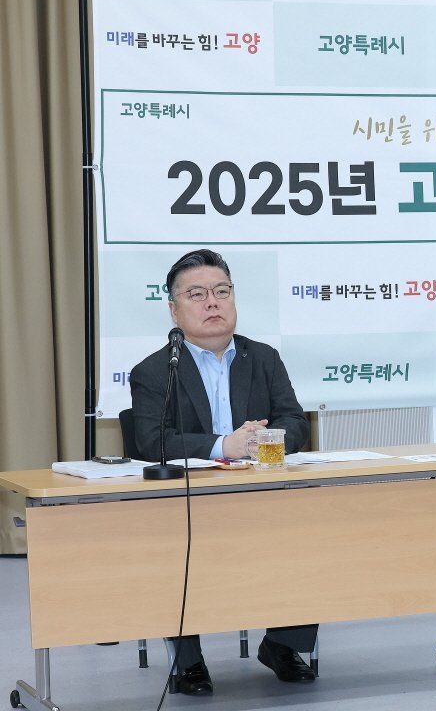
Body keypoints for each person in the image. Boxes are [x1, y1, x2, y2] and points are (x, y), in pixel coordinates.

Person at [129, 249, 316, 696]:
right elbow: (152, 442)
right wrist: (223, 446)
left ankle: (281, 645)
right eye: (197, 295)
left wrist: (264, 440)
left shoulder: (263, 358)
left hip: (259, 491)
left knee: (307, 528)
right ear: (174, 310)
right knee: (171, 541)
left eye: (221, 292)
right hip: (188, 498)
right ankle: (188, 661)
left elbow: (295, 421)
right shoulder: (154, 371)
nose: (212, 302)